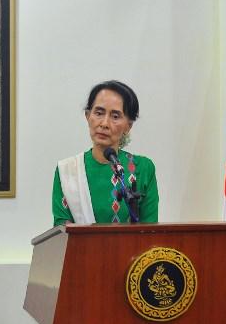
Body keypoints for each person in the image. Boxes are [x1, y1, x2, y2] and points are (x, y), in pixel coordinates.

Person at [52, 80, 158, 225]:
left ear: (128, 126)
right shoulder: (67, 171)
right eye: (99, 113)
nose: (104, 124)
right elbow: (62, 233)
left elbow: (150, 231)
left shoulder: (143, 168)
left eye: (115, 116)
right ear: (88, 116)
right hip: (81, 248)